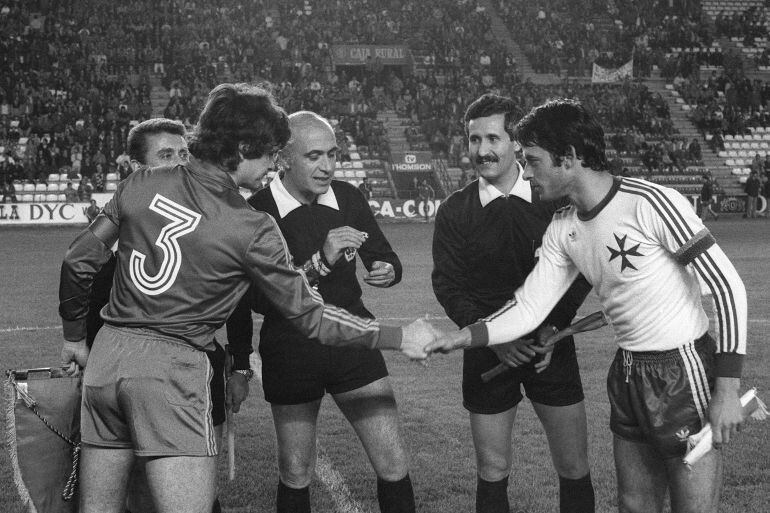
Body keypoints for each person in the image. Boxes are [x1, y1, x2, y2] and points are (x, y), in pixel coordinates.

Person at [58, 83, 435, 513]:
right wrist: (396, 336)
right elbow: (310, 317)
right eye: (271, 153)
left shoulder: (138, 184)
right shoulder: (251, 225)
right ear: (241, 147)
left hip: (106, 361)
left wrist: (74, 339)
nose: (275, 164)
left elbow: (78, 261)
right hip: (172, 372)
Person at [428, 99, 747, 513]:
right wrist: (461, 338)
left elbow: (727, 287)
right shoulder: (563, 227)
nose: (525, 172)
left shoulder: (651, 203)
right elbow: (527, 308)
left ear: (569, 158)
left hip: (683, 371)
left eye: (533, 161)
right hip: (628, 371)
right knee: (632, 505)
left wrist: (726, 389)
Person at [227, 111, 415, 513]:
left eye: (333, 153)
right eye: (315, 156)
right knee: (295, 471)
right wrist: (239, 366)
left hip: (354, 341)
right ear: (284, 158)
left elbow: (382, 254)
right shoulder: (256, 213)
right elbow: (252, 300)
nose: (328, 166)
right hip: (291, 349)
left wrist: (388, 269)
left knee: (394, 461)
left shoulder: (347, 197)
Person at [432, 94, 594, 513]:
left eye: (493, 138)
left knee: (573, 465)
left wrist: (552, 328)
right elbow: (448, 286)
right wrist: (492, 339)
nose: (482, 150)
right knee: (492, 468)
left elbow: (578, 274)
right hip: (487, 354)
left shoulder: (554, 199)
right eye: (473, 139)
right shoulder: (455, 210)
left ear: (516, 141)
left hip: (550, 348)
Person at [82, 118, 235, 513]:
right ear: (137, 169)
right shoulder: (106, 251)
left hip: (192, 374)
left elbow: (239, 304)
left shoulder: (210, 223)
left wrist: (240, 366)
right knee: (138, 493)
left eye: (184, 153)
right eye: (166, 155)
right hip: (118, 378)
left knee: (193, 490)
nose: (181, 163)